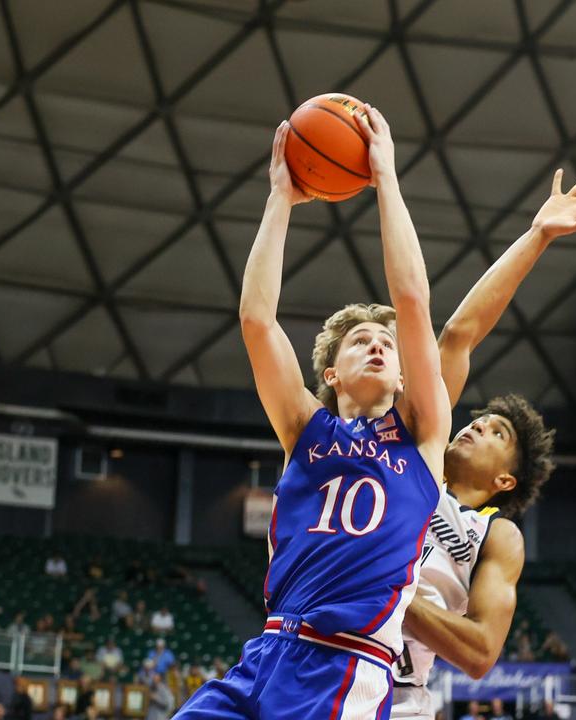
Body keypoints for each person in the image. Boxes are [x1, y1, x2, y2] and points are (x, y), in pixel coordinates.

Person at [174, 106, 448, 720]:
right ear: (329, 374)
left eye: (387, 342)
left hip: (346, 667)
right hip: (266, 654)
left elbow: (411, 299)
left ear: (404, 374)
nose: (379, 343)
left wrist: (387, 180)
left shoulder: (423, 433)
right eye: (361, 341)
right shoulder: (306, 428)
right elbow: (255, 320)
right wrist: (280, 198)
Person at [392, 169, 576, 718]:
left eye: (496, 432)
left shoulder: (495, 535)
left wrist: (386, 590)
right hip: (317, 674)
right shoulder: (414, 458)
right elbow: (459, 336)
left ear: (505, 480)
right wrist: (535, 235)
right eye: (479, 418)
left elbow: (481, 651)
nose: (476, 425)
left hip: (397, 699)